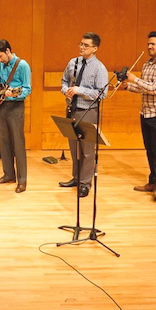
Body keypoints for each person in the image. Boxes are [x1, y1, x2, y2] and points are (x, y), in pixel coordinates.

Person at [124, 31, 156, 202]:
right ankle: (152, 181)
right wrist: (128, 86)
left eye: (153, 44)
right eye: (148, 44)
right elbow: (144, 89)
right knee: (149, 148)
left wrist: (134, 78)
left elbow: (154, 88)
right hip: (146, 112)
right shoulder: (147, 65)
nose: (149, 47)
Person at [58, 33, 109, 198]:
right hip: (72, 109)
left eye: (86, 45)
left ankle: (85, 183)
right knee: (74, 148)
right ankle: (77, 177)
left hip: (88, 111)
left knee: (87, 150)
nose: (81, 47)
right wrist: (66, 90)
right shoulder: (73, 62)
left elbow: (102, 93)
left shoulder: (99, 68)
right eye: (81, 44)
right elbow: (64, 80)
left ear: (95, 48)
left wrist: (80, 90)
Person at [0, 39, 31, 193]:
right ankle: (8, 174)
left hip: (16, 106)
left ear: (7, 51)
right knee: (4, 141)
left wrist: (14, 92)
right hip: (2, 105)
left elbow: (27, 88)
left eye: (0, 56)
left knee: (18, 143)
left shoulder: (23, 65)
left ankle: (22, 180)